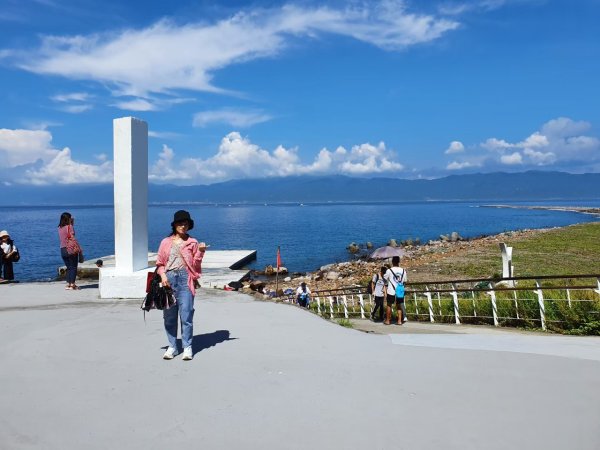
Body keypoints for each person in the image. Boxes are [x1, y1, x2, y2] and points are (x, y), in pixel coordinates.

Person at [156, 210, 206, 361]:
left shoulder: (193, 243)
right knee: (169, 317)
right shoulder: (165, 242)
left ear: (189, 225)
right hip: (168, 280)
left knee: (187, 315)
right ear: (174, 225)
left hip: (186, 281)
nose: (183, 226)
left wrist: (201, 252)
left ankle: (187, 347)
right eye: (180, 223)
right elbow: (159, 264)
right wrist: (163, 276)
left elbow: (196, 266)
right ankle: (172, 346)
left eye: (186, 223)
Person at [57, 212, 80, 290]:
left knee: (69, 267)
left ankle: (69, 284)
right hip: (70, 248)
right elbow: (72, 236)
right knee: (73, 267)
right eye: (70, 217)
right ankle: (72, 284)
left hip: (62, 249)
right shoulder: (69, 226)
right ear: (68, 219)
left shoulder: (59, 228)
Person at [383, 256, 407, 325]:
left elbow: (385, 278)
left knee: (389, 305)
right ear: (399, 262)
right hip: (400, 291)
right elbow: (405, 281)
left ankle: (388, 320)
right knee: (399, 305)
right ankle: (399, 321)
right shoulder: (403, 270)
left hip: (391, 290)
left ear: (392, 262)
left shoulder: (389, 270)